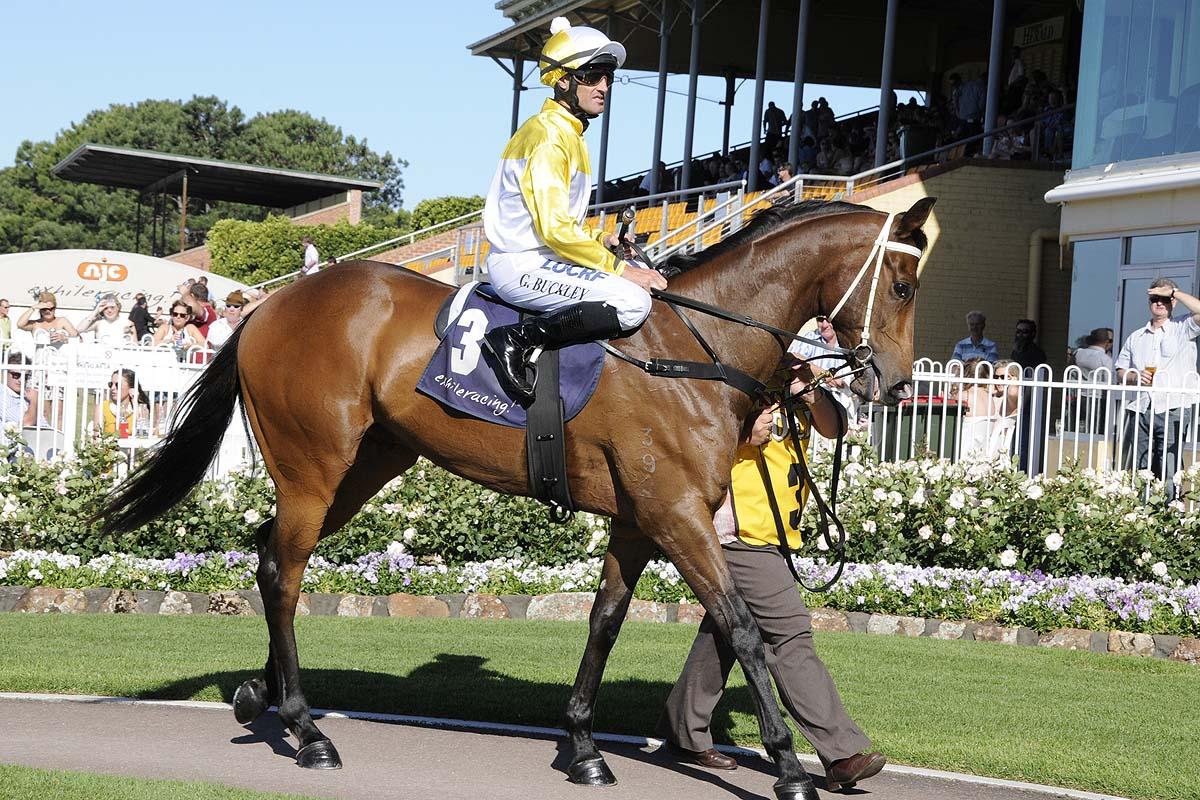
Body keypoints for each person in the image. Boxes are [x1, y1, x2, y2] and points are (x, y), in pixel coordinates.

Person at [658, 356, 885, 792]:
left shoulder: (794, 384)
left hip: (771, 532)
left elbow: (834, 426)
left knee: (727, 630)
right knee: (788, 634)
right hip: (738, 533)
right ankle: (842, 753)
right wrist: (744, 434)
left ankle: (684, 727)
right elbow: (691, 438)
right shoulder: (736, 377)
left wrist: (810, 389)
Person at [480, 16, 665, 401]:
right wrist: (620, 268)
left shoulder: (568, 134)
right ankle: (515, 339)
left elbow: (561, 223)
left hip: (543, 259)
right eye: (592, 76)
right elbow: (554, 230)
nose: (604, 86)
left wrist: (602, 239)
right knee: (632, 301)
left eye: (608, 77)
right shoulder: (549, 137)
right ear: (562, 80)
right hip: (522, 264)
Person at [1114, 279, 1200, 485]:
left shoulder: (1182, 327)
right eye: (1155, 298)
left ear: (1173, 302)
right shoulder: (1136, 336)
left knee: (1169, 464)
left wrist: (1174, 291)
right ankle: (1140, 503)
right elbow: (1120, 371)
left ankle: (1172, 502)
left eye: (1165, 299)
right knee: (1139, 465)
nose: (1159, 303)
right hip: (1142, 406)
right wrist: (1135, 376)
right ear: (1149, 301)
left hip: (1173, 406)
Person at [93, 369, 148, 438]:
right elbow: (96, 439)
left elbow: (142, 435)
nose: (112, 388)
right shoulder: (102, 407)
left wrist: (134, 401)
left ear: (131, 388)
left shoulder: (141, 408)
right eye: (110, 384)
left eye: (117, 385)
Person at [1, 353, 47, 429]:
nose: (21, 380)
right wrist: (34, 401)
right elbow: (27, 424)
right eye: (16, 375)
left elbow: (44, 425)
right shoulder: (2, 395)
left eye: (25, 376)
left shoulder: (26, 396)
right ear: (5, 373)